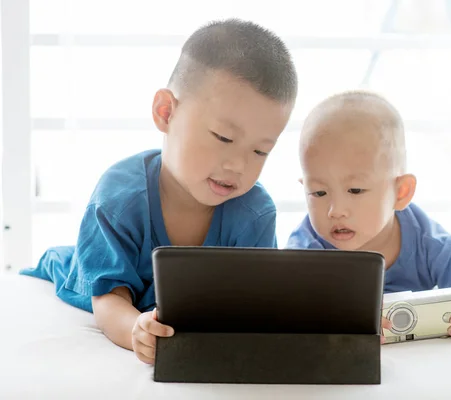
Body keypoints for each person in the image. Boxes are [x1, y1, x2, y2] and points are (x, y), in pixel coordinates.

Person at [21, 19, 298, 364]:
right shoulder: (120, 197)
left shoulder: (256, 212)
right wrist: (134, 329)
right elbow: (108, 299)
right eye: (224, 138)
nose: (238, 166)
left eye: (260, 151)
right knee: (78, 267)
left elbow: (256, 299)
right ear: (166, 113)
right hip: (92, 274)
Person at [286, 91, 451, 340]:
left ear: (401, 192)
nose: (335, 210)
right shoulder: (307, 249)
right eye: (318, 192)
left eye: (355, 190)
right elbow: (285, 314)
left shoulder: (429, 242)